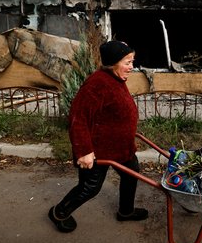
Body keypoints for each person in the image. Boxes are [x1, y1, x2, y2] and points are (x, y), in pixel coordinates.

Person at [48, 40, 148, 233]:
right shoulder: (97, 84)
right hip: (98, 150)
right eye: (127, 62)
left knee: (131, 174)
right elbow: (78, 119)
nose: (131, 67)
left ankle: (125, 212)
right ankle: (58, 212)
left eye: (132, 62)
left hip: (120, 147)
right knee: (89, 188)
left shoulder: (116, 78)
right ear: (113, 62)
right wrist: (84, 151)